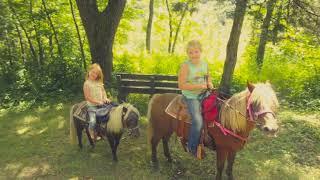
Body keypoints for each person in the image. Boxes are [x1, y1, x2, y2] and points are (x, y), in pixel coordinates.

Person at [178, 40, 213, 156]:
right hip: (191, 96)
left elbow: (208, 78)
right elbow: (181, 85)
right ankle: (191, 146)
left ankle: (209, 138)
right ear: (187, 54)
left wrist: (209, 84)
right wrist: (198, 86)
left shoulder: (205, 64)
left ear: (201, 51)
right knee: (198, 121)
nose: (194, 55)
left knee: (215, 111)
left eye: (196, 52)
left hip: (204, 93)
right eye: (190, 53)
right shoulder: (185, 66)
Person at [83, 63, 111, 139]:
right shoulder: (87, 84)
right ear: (89, 71)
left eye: (96, 73)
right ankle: (90, 131)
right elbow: (87, 97)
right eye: (92, 72)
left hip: (101, 103)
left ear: (98, 75)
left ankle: (103, 131)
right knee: (93, 121)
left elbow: (103, 91)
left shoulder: (98, 82)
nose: (94, 74)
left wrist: (105, 98)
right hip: (92, 106)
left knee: (109, 114)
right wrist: (97, 102)